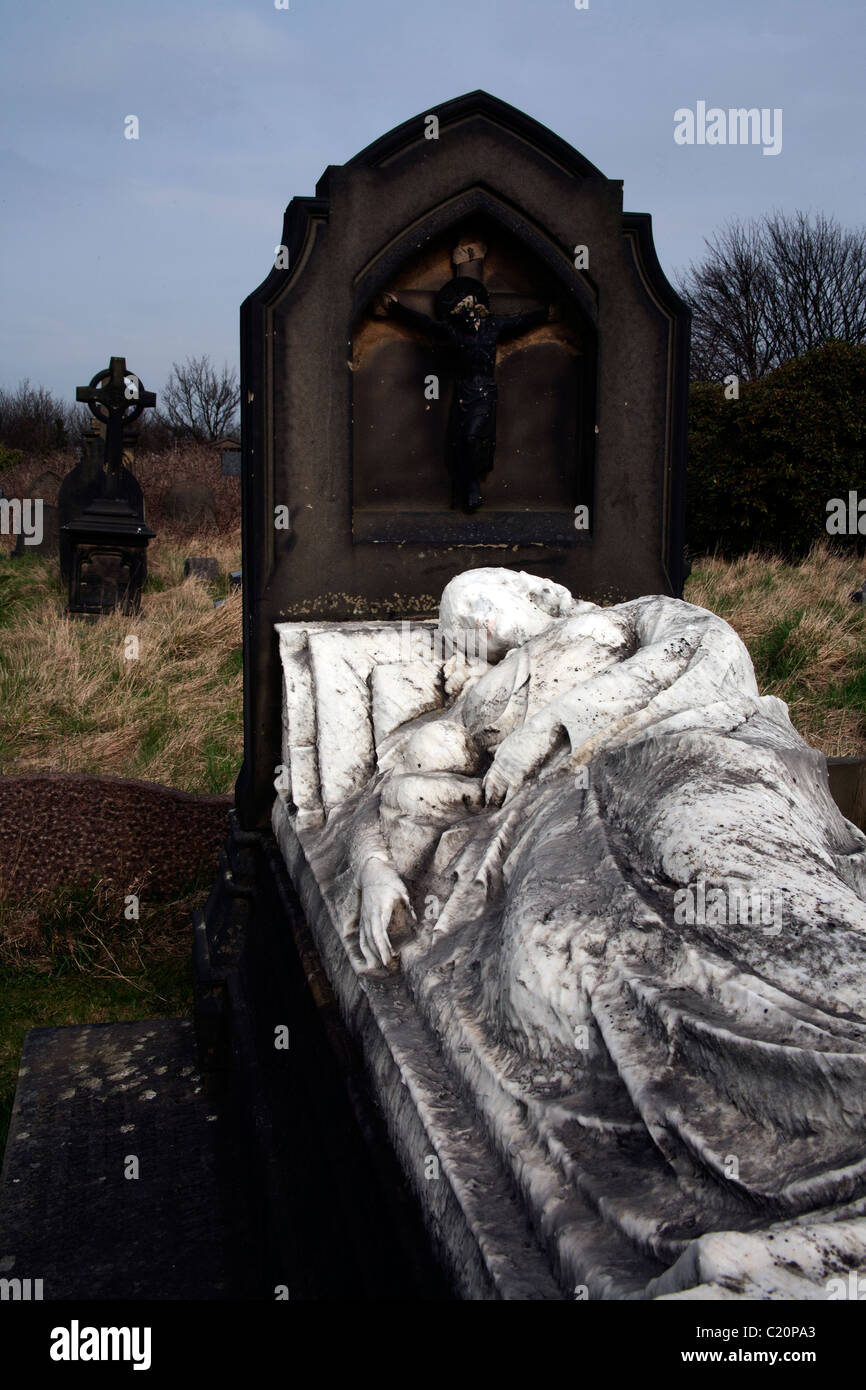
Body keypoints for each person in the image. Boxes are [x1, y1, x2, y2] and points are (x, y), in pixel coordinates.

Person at [379, 280, 552, 511]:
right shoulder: (453, 331)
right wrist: (396, 309)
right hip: (464, 391)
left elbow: (520, 321)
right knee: (461, 441)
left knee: (473, 437)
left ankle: (473, 486)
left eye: (469, 308)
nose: (467, 314)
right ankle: (468, 488)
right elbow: (425, 324)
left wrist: (547, 314)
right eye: (462, 310)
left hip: (485, 390)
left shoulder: (493, 326)